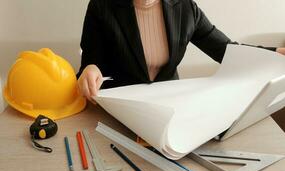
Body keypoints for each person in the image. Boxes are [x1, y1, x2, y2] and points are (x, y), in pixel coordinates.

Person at [77, 0, 285, 101]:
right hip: (120, 105)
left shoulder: (185, 7)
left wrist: (273, 54)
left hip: (169, 102)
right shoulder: (101, 6)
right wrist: (90, 69)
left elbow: (227, 51)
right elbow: (91, 63)